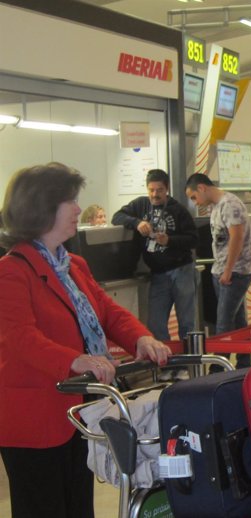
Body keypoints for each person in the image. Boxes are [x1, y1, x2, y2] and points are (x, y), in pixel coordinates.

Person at [0, 163, 171, 518]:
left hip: (79, 412)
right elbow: (17, 336)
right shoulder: (11, 271)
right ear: (42, 207)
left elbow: (107, 313)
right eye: (69, 200)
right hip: (34, 421)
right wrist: (75, 360)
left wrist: (141, 337)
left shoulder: (73, 265)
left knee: (79, 506)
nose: (79, 208)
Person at [112, 169, 199, 344]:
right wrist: (137, 223)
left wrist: (170, 241)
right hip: (158, 274)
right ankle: (167, 365)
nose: (155, 194)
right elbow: (117, 217)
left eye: (159, 190)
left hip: (181, 270)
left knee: (187, 324)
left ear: (166, 189)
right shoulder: (141, 205)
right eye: (151, 190)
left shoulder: (178, 210)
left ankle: (189, 367)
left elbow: (193, 239)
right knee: (155, 324)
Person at [185, 174, 251, 368]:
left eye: (193, 197)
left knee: (224, 322)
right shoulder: (216, 207)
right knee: (239, 322)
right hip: (224, 271)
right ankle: (244, 364)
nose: (195, 202)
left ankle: (218, 368)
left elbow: (237, 237)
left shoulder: (230, 204)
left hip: (235, 272)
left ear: (201, 188)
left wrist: (228, 271)